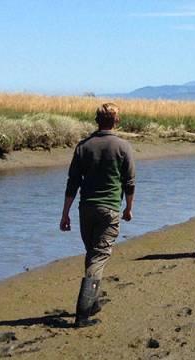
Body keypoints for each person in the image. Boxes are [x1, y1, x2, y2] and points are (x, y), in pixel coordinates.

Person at [60, 103, 136, 328]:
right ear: (116, 121)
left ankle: (91, 303)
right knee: (99, 256)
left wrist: (65, 213)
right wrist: (129, 208)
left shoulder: (84, 146)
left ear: (97, 120)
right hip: (109, 208)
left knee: (93, 253)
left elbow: (73, 182)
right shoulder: (123, 146)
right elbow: (130, 182)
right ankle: (83, 313)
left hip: (86, 209)